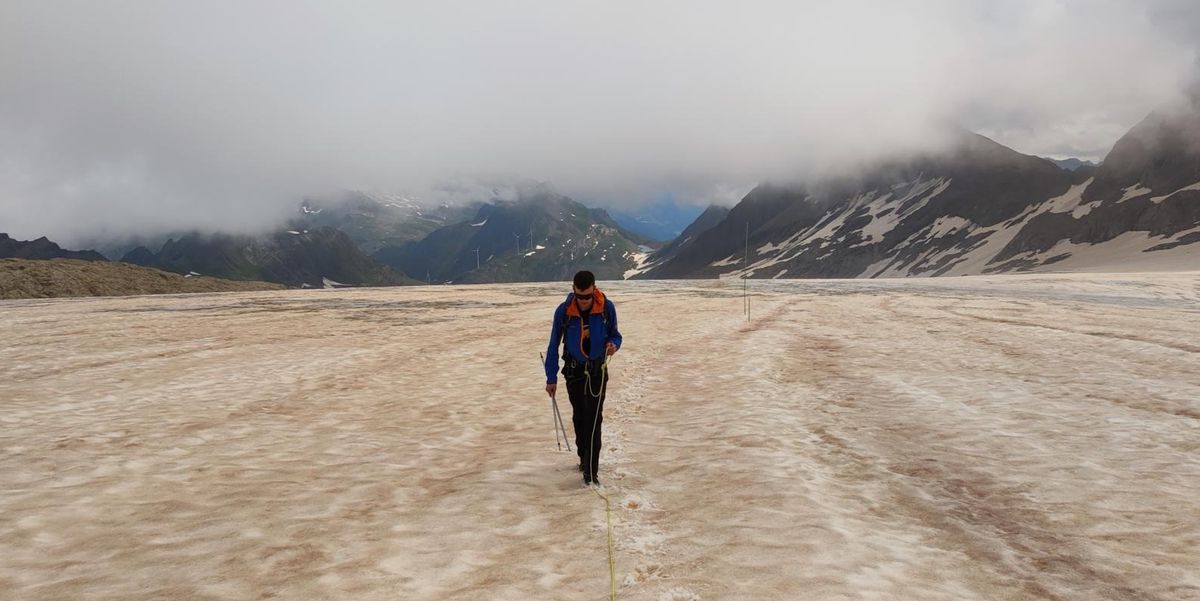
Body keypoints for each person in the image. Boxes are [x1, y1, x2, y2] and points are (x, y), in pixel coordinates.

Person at [544, 270, 622, 486]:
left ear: (594, 289)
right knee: (581, 416)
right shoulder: (564, 312)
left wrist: (614, 345)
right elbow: (553, 345)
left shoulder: (606, 307)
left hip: (598, 370)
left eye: (588, 296)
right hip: (574, 372)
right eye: (580, 297)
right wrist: (551, 377)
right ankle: (583, 457)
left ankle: (591, 472)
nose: (585, 301)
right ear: (574, 291)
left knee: (595, 418)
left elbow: (616, 334)